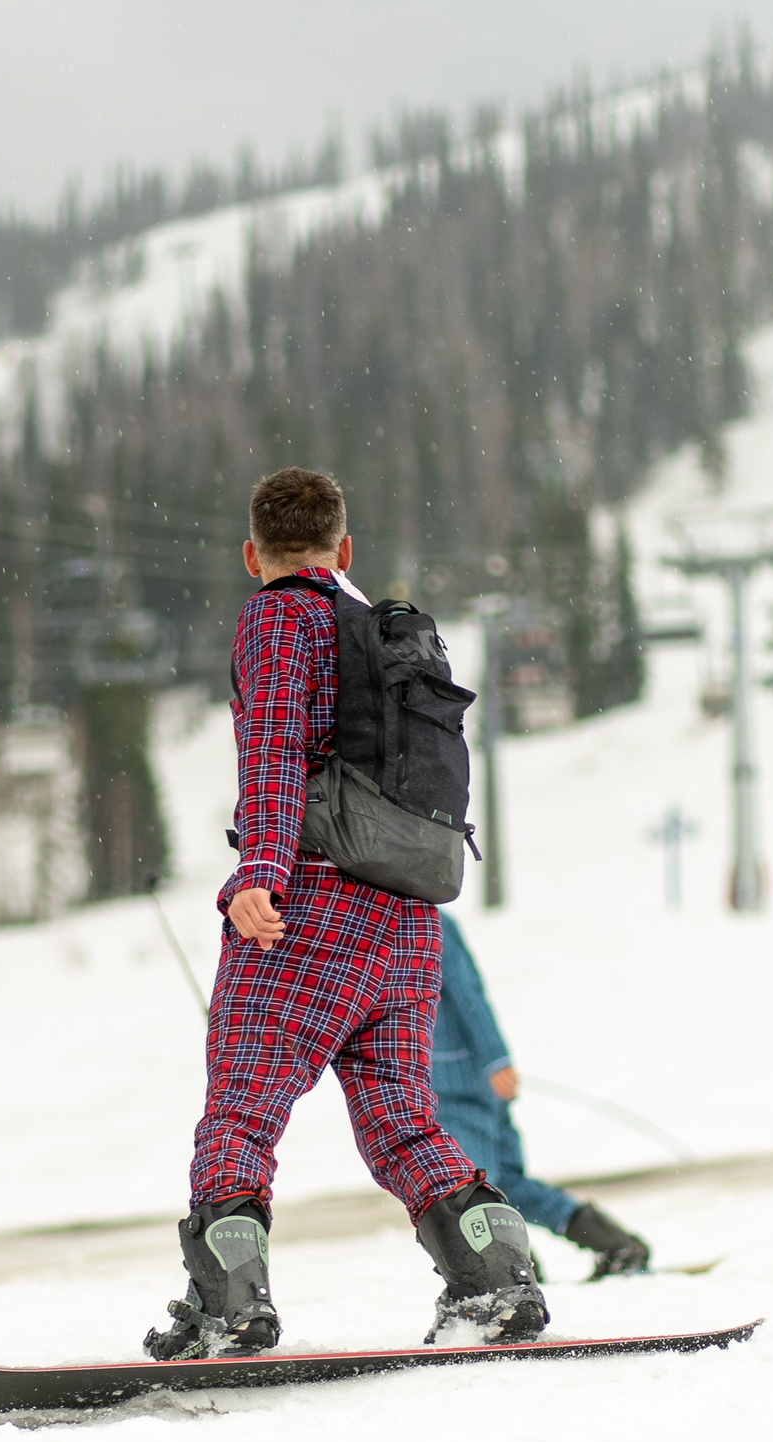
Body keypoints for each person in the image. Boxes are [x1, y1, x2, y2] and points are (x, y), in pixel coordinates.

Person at [146, 467, 546, 1361]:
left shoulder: (281, 614)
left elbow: (277, 743)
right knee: (404, 1120)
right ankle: (497, 1281)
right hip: (406, 923)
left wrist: (259, 872)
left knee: (241, 1112)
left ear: (252, 555)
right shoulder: (382, 631)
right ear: (346, 549)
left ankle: (228, 1307)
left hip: (310, 907)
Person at [431, 911, 652, 1277]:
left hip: (459, 1084)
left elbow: (468, 993)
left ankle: (512, 1269)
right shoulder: (413, 916)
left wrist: (495, 1059)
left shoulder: (427, 919)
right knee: (509, 1184)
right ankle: (614, 1244)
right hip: (468, 1079)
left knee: (473, 1190)